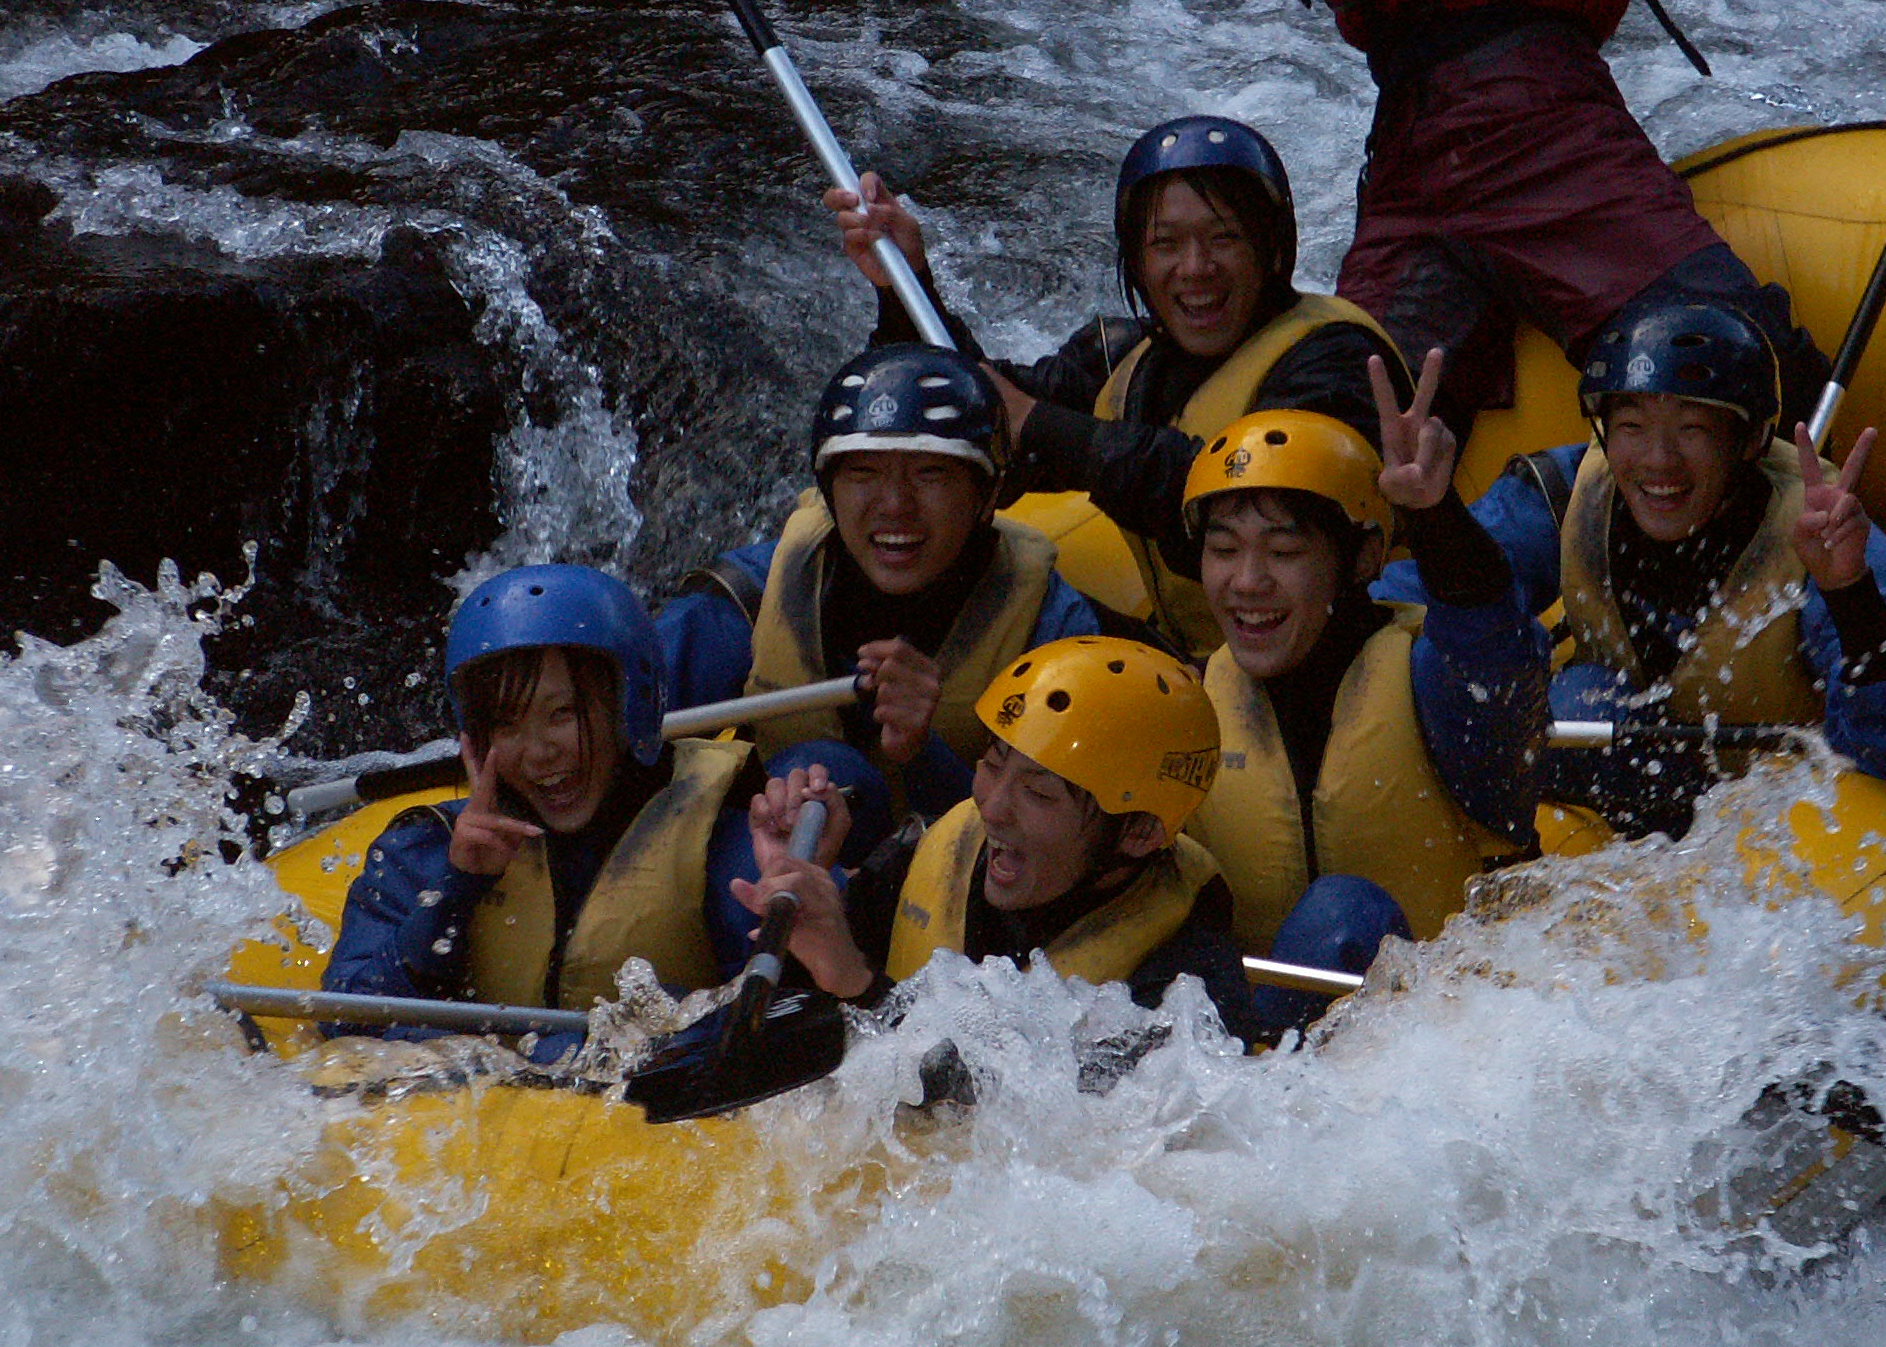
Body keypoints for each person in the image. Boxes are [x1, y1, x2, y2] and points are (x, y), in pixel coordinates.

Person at [1310, 0, 1832, 439]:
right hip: (1406, 143)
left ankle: (1818, 480)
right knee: (1339, 422)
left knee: (1723, 350)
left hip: (1532, 112)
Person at [1376, 299, 1886, 836]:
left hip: (1772, 816)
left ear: (1750, 441)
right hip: (1621, 780)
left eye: (1692, 429)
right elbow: (1411, 602)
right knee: (1557, 693)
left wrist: (1850, 593)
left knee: (1582, 704)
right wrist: (1435, 519)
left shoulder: (1820, 529)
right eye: (1632, 427)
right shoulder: (1567, 491)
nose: (1658, 461)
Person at [826, 115, 1407, 657]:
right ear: (1136, 259)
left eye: (1224, 237)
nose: (1195, 267)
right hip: (1205, 656)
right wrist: (906, 286)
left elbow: (1244, 501)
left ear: (1272, 247)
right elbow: (977, 413)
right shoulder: (1124, 356)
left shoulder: (1337, 363)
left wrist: (1042, 425)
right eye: (1165, 244)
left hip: (1330, 662)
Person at [322, 564, 853, 1059]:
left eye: (563, 714)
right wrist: (454, 894)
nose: (538, 752)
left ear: (629, 706)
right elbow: (345, 1021)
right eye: (507, 725)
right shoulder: (426, 851)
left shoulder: (722, 839)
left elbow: (791, 1030)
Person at [1182, 360, 1548, 1033]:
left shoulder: (1427, 681)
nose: (1247, 581)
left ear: (1363, 558)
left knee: (1342, 915)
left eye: (1283, 552)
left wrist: (1434, 517)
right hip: (1262, 1048)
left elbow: (1489, 648)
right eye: (1223, 549)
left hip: (1459, 1031)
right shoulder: (1191, 699)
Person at [728, 636, 1268, 1044]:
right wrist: (801, 891)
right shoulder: (936, 855)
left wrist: (853, 982)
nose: (991, 807)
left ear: (1139, 832)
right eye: (992, 763)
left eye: (1038, 793)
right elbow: (772, 1040)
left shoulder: (1185, 981)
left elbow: (1027, 1124)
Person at [652, 343, 1100, 822]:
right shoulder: (748, 597)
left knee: (836, 772)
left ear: (987, 494)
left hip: (945, 856)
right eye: (863, 474)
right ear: (829, 493)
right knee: (827, 769)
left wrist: (922, 751)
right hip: (773, 843)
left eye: (930, 474)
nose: (895, 505)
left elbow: (1059, 834)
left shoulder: (1051, 628)